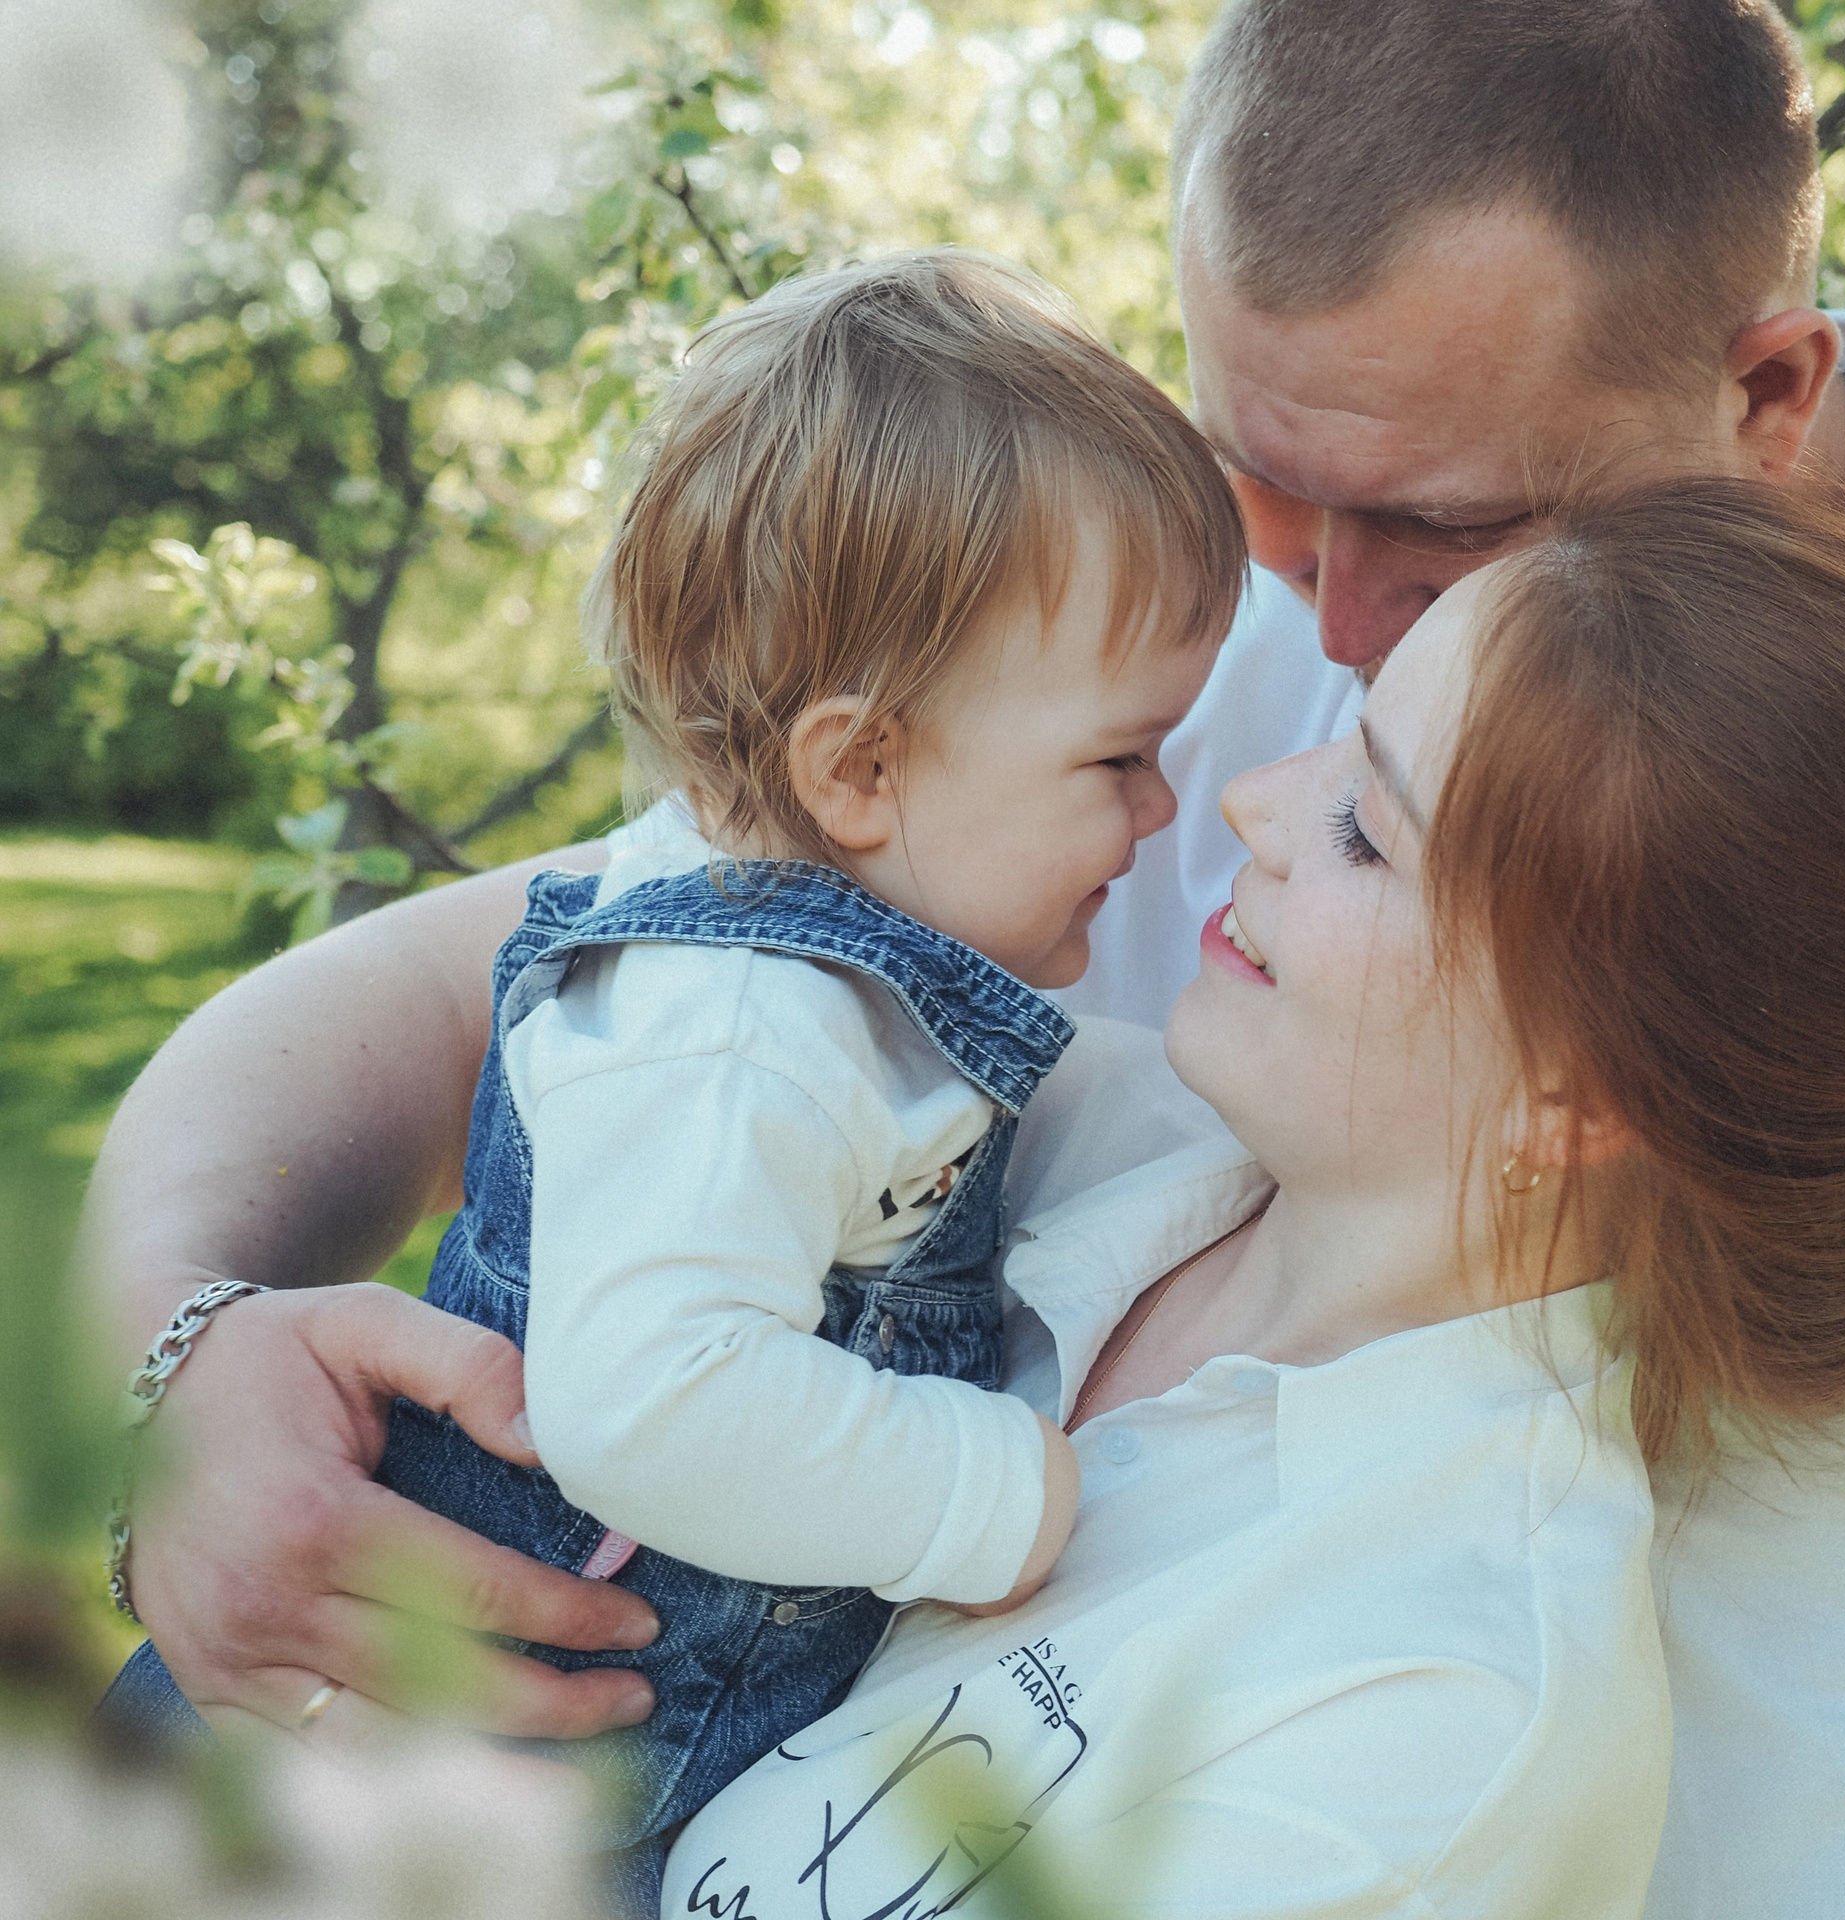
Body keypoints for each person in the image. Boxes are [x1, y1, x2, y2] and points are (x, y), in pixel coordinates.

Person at [80, 2, 1845, 1915]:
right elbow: (535, 978)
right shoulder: (1192, 634)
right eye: (1257, 474)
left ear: (1768, 384)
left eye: (1432, 525)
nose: (1319, 633)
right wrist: (193, 1359)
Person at [651, 480, 1845, 1915]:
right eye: (1346, 730)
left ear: (1583, 1093)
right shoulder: (1037, 1114)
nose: (1253, 803)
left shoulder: (1429, 1723)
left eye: (1365, 827)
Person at [103, 250, 1245, 1905]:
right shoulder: (739, 1032)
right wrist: (993, 1490)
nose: (1161, 815)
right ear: (858, 767)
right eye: (1118, 760)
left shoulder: (809, 961)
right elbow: (652, 1400)